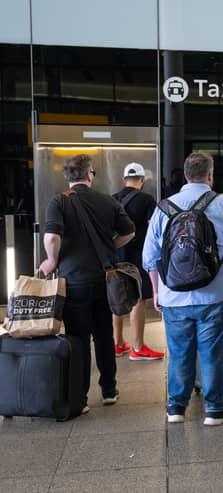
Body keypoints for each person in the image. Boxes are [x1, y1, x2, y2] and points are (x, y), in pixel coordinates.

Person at [143, 151, 223, 425]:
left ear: (185, 176)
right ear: (210, 175)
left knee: (179, 352)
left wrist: (156, 291)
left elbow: (149, 257)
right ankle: (214, 409)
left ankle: (176, 408)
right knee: (212, 352)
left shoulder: (164, 207)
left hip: (174, 295)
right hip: (216, 293)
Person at [40, 154, 135, 413]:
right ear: (90, 174)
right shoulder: (107, 200)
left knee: (78, 339)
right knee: (104, 335)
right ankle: (109, 390)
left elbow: (51, 237)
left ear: (68, 177)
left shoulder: (59, 201)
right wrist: (109, 248)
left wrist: (51, 260)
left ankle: (80, 398)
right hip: (105, 279)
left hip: (74, 282)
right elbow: (129, 231)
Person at [112, 163, 164, 361]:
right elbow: (154, 229)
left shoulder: (113, 199)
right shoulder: (147, 199)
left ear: (124, 179)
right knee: (138, 300)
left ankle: (117, 344)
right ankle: (138, 347)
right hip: (138, 257)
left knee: (115, 298)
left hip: (115, 256)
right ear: (142, 180)